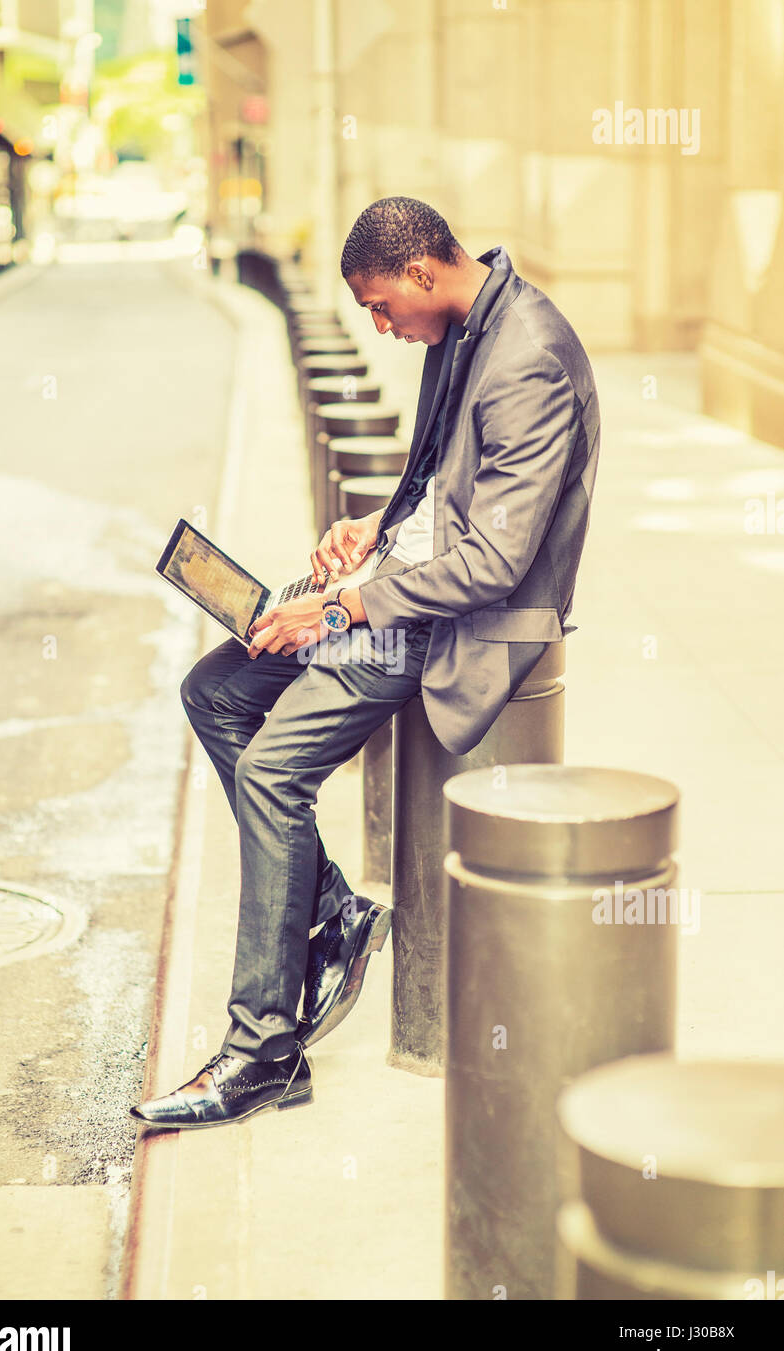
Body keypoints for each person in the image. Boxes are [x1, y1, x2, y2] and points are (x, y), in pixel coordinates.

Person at [130, 195, 600, 1130]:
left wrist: (342, 605)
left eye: (382, 306)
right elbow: (443, 481)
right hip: (407, 585)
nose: (380, 328)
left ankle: (263, 1052)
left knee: (271, 773)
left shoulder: (527, 357)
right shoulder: (468, 324)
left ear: (424, 271)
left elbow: (496, 562)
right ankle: (333, 909)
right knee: (215, 688)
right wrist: (373, 530)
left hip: (460, 621)